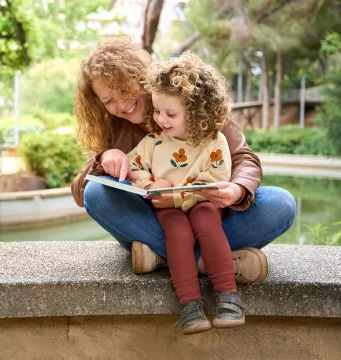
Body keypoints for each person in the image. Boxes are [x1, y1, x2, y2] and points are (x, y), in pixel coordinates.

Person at [72, 36, 296, 284]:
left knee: (281, 203)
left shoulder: (195, 102)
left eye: (125, 89)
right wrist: (104, 158)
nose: (121, 104)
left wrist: (237, 189)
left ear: (143, 78)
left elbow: (244, 158)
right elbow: (81, 193)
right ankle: (209, 262)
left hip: (210, 214)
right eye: (108, 101)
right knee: (96, 193)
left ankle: (162, 257)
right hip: (157, 220)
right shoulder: (112, 125)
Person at [126, 52, 243, 334]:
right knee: (178, 232)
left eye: (171, 113)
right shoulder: (153, 141)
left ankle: (228, 297)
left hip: (203, 203)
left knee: (205, 221)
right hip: (167, 207)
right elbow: (133, 168)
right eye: (156, 110)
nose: (160, 119)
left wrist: (187, 193)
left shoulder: (214, 141)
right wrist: (150, 185)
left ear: (197, 111)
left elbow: (217, 177)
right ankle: (191, 306)